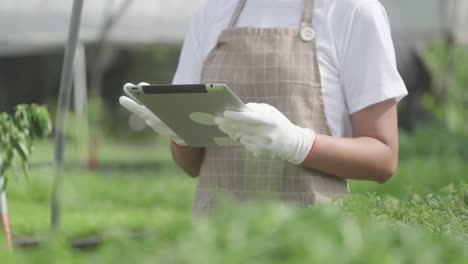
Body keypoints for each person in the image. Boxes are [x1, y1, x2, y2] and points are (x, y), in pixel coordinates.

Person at [120, 0, 408, 214]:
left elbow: (383, 159)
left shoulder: (351, 11)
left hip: (313, 241)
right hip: (215, 241)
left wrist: (296, 144)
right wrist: (181, 135)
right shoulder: (211, 14)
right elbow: (192, 167)